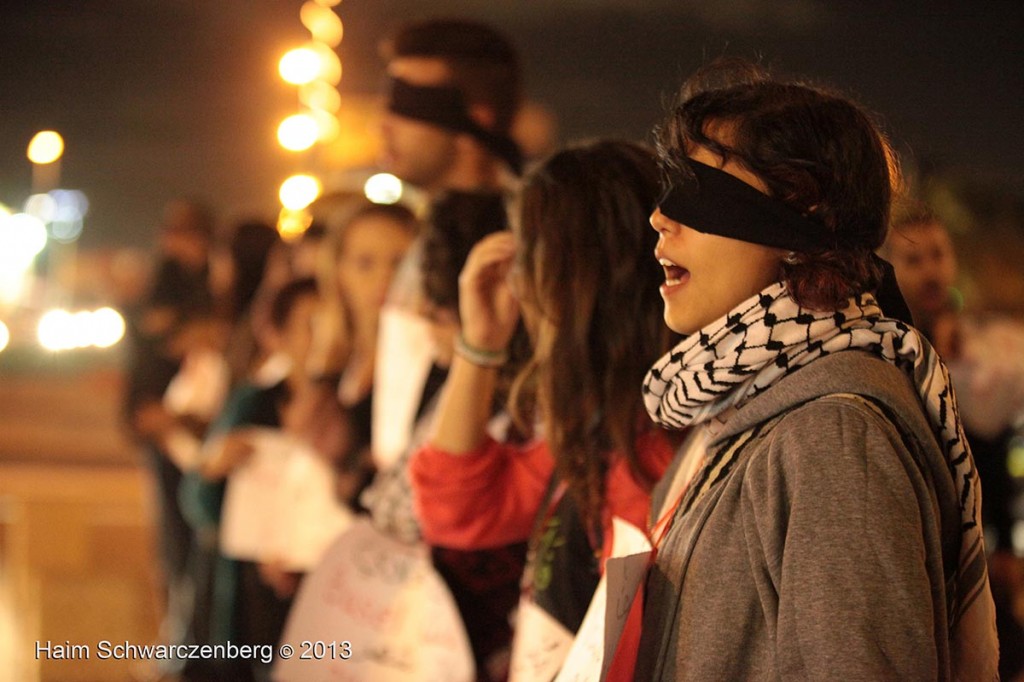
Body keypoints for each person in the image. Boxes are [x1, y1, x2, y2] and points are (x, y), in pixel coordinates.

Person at [633, 60, 998, 680]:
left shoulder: (834, 437)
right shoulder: (740, 402)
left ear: (799, 213)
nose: (660, 218)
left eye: (699, 191)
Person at [410, 140, 679, 676]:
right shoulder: (598, 429)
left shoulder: (653, 448)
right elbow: (457, 506)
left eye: (530, 254)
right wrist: (480, 343)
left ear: (576, 276)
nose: (519, 283)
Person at [886, 204, 1024, 680]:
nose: (930, 270)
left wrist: (1005, 543)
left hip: (978, 547)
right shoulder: (889, 350)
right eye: (913, 259)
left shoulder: (970, 342)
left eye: (937, 254)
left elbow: (991, 440)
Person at [122, 198, 215, 658]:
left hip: (189, 429)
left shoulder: (211, 282)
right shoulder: (169, 279)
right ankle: (179, 641)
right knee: (173, 541)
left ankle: (190, 643)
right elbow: (149, 345)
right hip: (163, 427)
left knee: (192, 537)